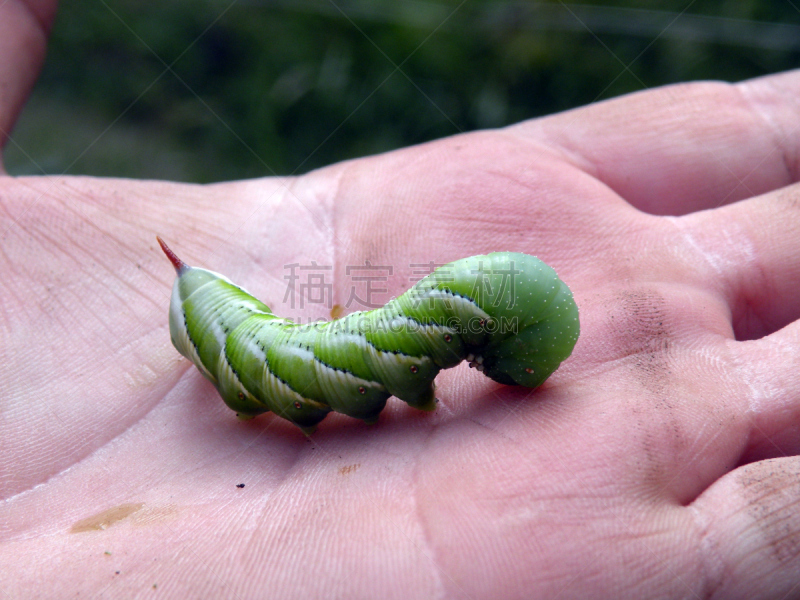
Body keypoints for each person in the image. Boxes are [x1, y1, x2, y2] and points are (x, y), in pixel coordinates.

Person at [2, 3, 798, 598]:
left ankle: (207, 302)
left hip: (234, 323)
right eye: (515, 358)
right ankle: (205, 306)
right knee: (293, 350)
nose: (512, 377)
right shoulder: (420, 350)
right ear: (488, 335)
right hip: (235, 338)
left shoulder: (434, 341)